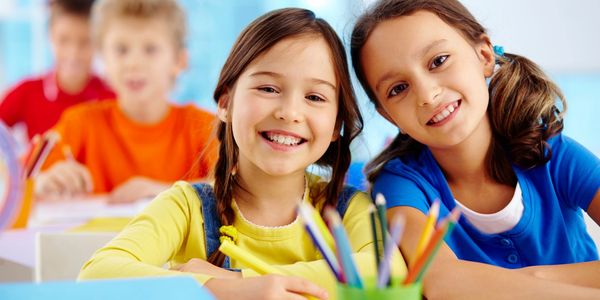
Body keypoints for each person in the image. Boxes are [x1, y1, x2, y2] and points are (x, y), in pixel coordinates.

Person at [79, 7, 405, 299]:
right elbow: (96, 275)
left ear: (337, 126)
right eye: (268, 88)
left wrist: (237, 282)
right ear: (225, 104)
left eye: (315, 97)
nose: (290, 112)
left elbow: (387, 271)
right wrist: (221, 286)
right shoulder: (188, 207)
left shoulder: (347, 211)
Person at [350, 0, 600, 298]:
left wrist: (534, 276)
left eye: (438, 61)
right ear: (390, 116)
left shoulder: (551, 153)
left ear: (483, 55)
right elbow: (441, 281)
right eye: (398, 89)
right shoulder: (399, 187)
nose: (427, 95)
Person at [35, 0, 217, 203]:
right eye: (121, 50)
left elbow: (242, 186)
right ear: (103, 60)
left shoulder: (205, 128)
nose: (134, 63)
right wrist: (42, 182)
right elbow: (18, 180)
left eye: (150, 49)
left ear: (179, 61)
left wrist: (165, 193)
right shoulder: (79, 123)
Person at [0, 0, 114, 141]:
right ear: (50, 37)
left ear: (97, 42)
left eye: (85, 41)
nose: (73, 53)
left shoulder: (111, 99)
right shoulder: (27, 92)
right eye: (63, 40)